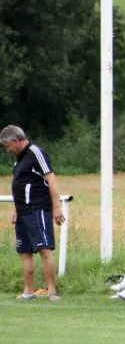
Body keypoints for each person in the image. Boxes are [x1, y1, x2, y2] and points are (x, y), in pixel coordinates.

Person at [1, 125, 64, 301]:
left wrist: (57, 207)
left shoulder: (35, 152)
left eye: (8, 145)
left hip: (37, 209)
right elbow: (19, 184)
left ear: (15, 140)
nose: (7, 150)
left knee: (44, 249)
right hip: (22, 212)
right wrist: (15, 208)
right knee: (25, 251)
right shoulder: (18, 160)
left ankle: (52, 291)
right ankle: (28, 292)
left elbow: (50, 176)